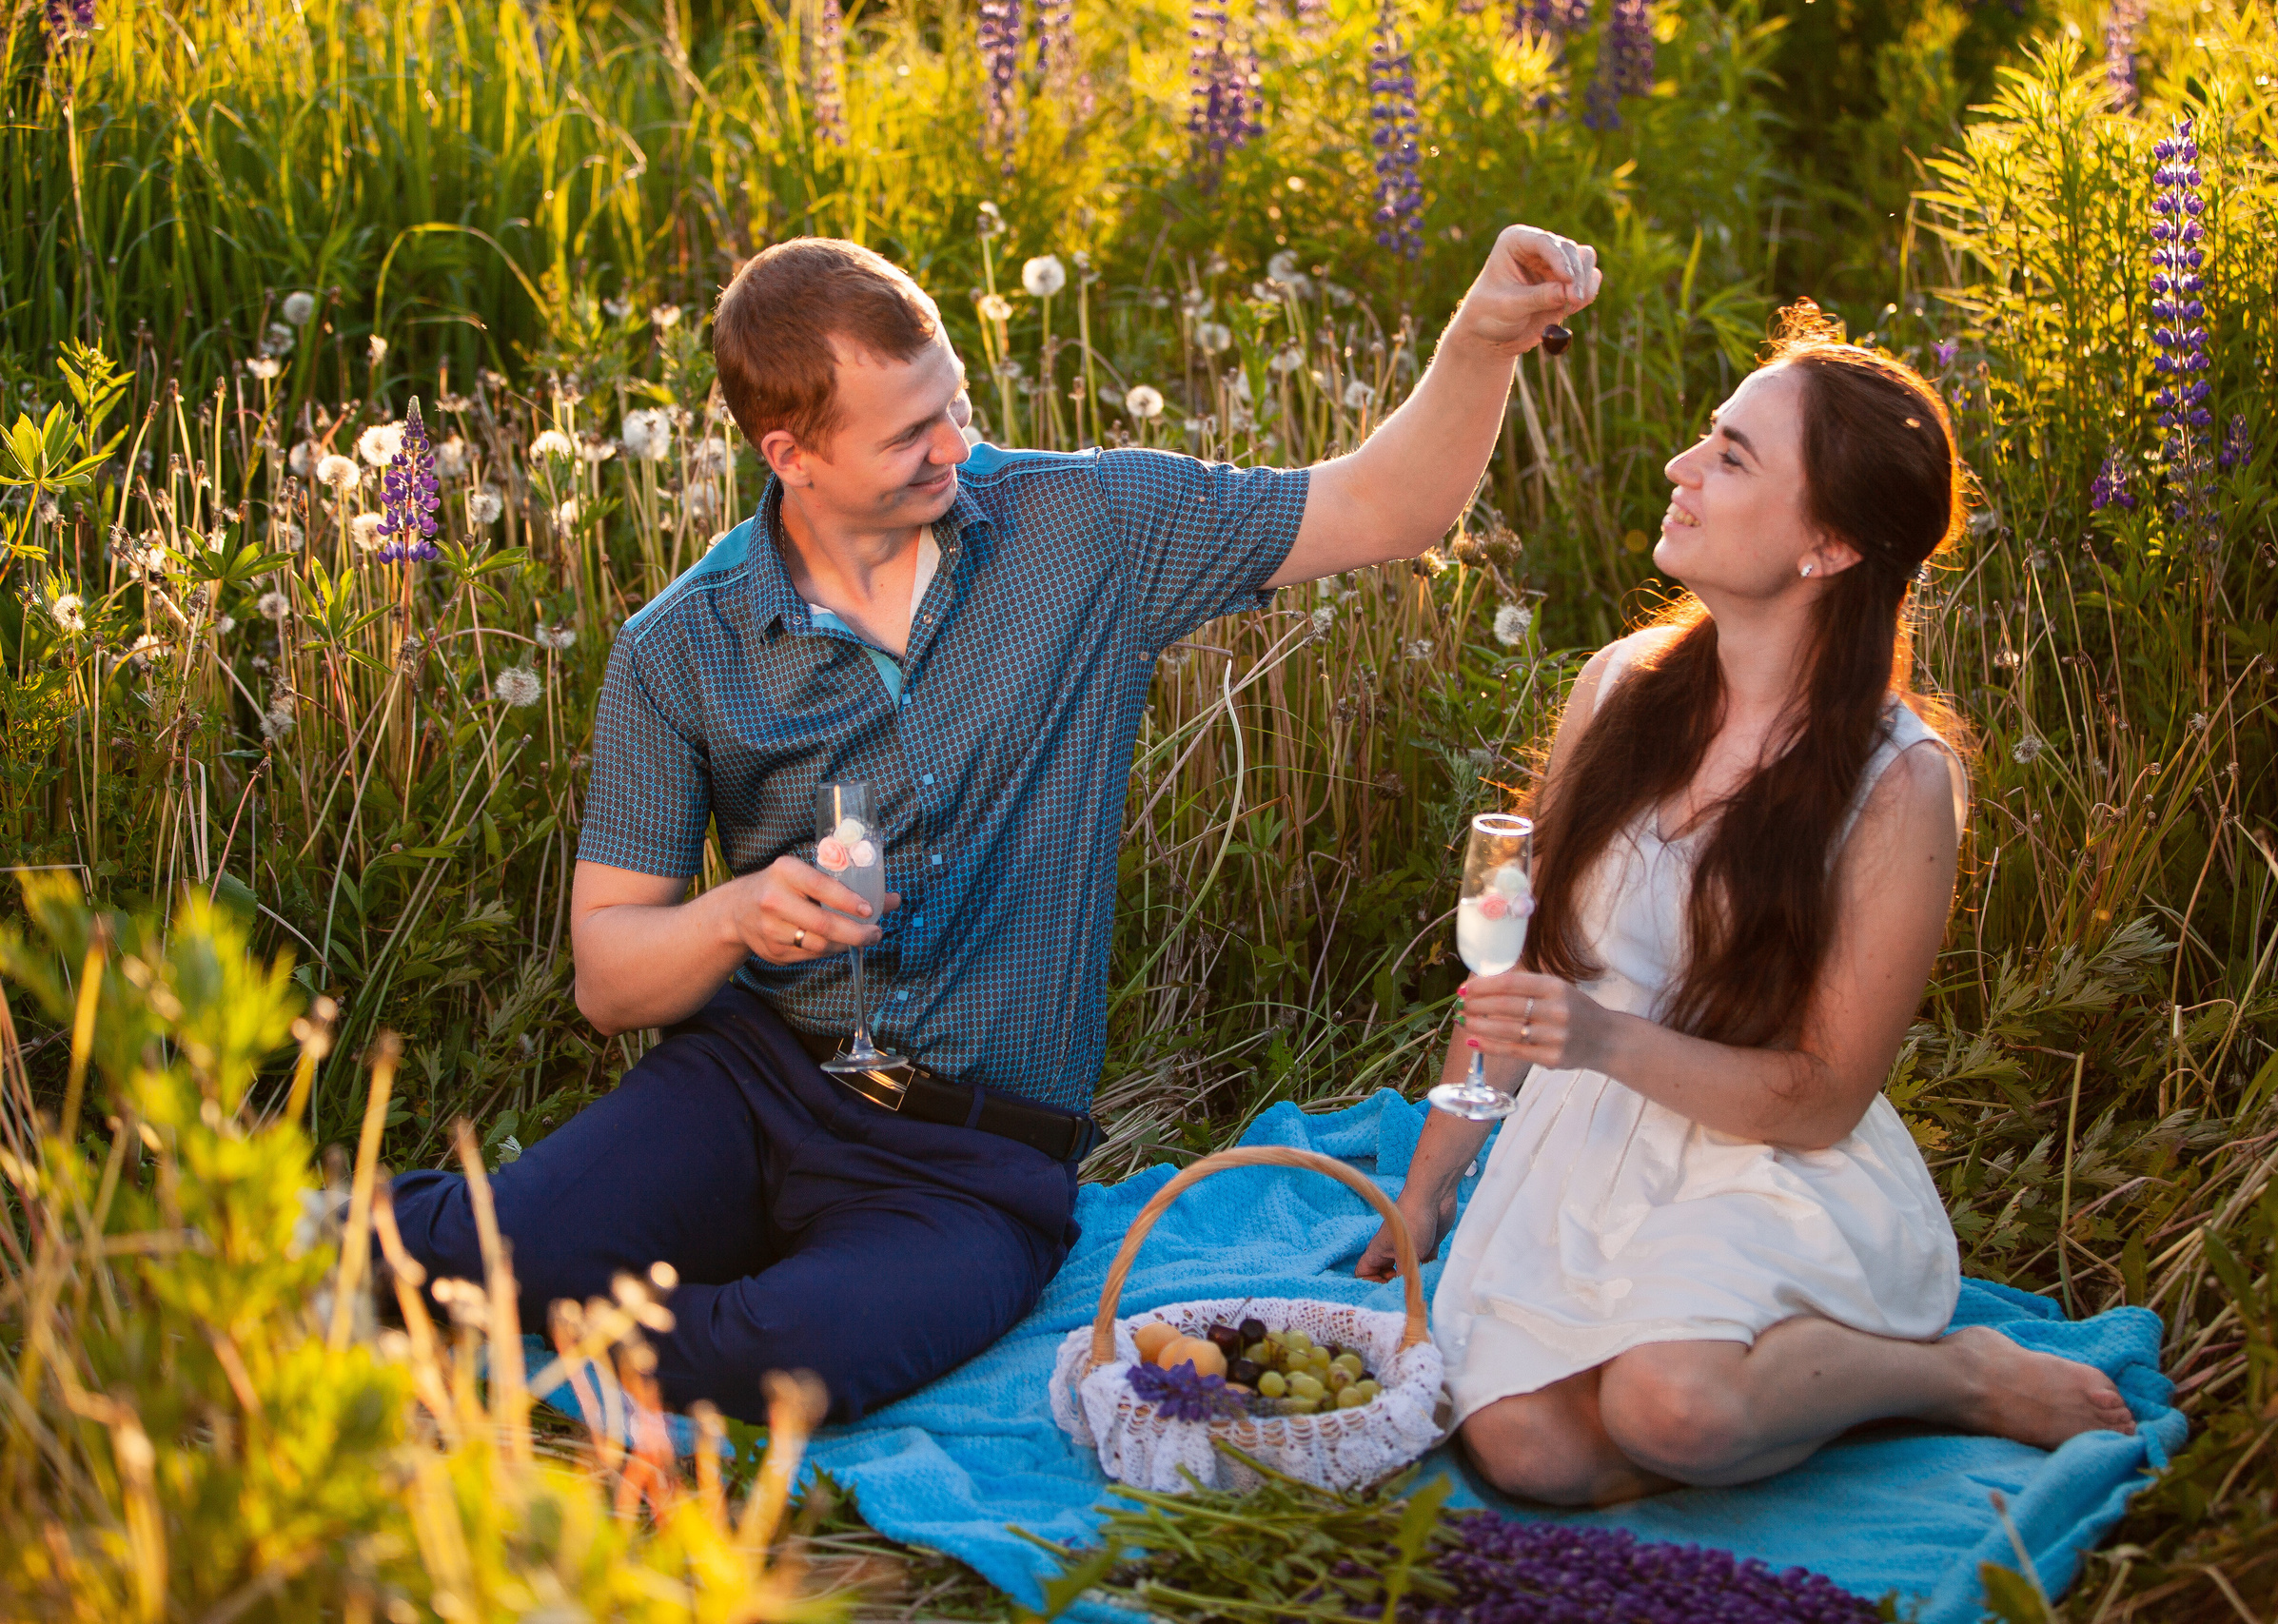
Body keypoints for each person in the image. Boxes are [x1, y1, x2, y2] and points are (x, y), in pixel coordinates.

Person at [390, 229, 1602, 1423]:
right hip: (747, 1083)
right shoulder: (683, 645)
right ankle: (350, 1250)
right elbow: (609, 979)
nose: (956, 446)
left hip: (972, 1164)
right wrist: (735, 912)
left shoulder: (1084, 529)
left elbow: (1385, 508)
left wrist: (1484, 336)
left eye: (953, 404)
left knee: (789, 1359)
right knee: (460, 1255)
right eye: (911, 433)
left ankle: (590, 1312)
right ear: (790, 453)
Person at [1354, 303, 2134, 1504]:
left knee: (1674, 1408)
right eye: (1705, 439)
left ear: (1826, 544)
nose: (1680, 469)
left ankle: (1941, 1375)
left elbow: (1821, 1098)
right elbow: (1511, 969)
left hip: (1762, 1157)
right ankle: (1768, 1401)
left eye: (1730, 457)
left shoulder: (1896, 781)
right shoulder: (1616, 687)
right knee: (1530, 1454)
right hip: (1584, 1144)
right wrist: (1425, 1188)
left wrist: (1605, 1038)